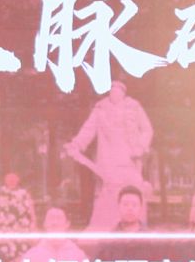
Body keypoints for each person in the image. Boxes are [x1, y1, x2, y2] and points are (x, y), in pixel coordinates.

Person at [66, 81, 155, 235]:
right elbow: (89, 129)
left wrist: (140, 147)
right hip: (109, 159)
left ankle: (136, 228)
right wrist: (77, 144)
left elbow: (147, 129)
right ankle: (104, 228)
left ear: (123, 93)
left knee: (132, 192)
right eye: (112, 90)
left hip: (130, 159)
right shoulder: (100, 109)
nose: (114, 93)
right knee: (108, 194)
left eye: (118, 91)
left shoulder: (134, 107)